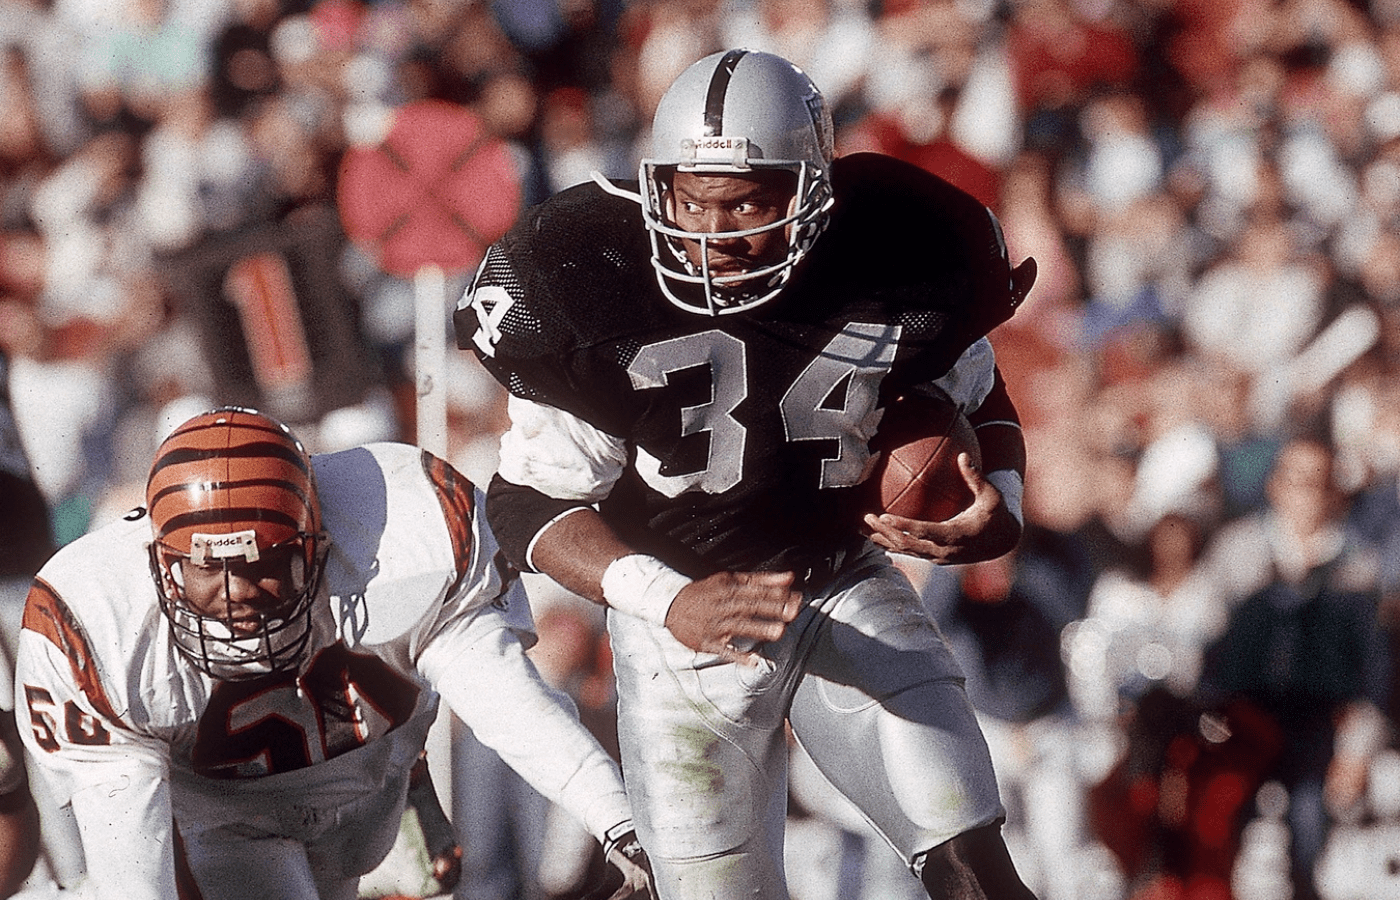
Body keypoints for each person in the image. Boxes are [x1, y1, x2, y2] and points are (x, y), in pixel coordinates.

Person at [455, 48, 1040, 900]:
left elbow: (978, 388)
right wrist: (667, 601)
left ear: (814, 191)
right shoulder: (585, 282)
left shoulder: (899, 253)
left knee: (972, 862)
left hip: (836, 582)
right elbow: (528, 503)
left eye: (745, 203)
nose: (712, 232)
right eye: (689, 200)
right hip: (679, 626)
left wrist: (1006, 504)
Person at [11, 406, 654, 900]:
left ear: (314, 542)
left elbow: (504, 697)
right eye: (210, 570)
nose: (238, 594)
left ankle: (409, 785)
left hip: (378, 778)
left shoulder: (399, 537)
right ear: (163, 564)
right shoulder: (98, 626)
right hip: (235, 824)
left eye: (263, 562)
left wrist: (616, 818)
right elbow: (132, 863)